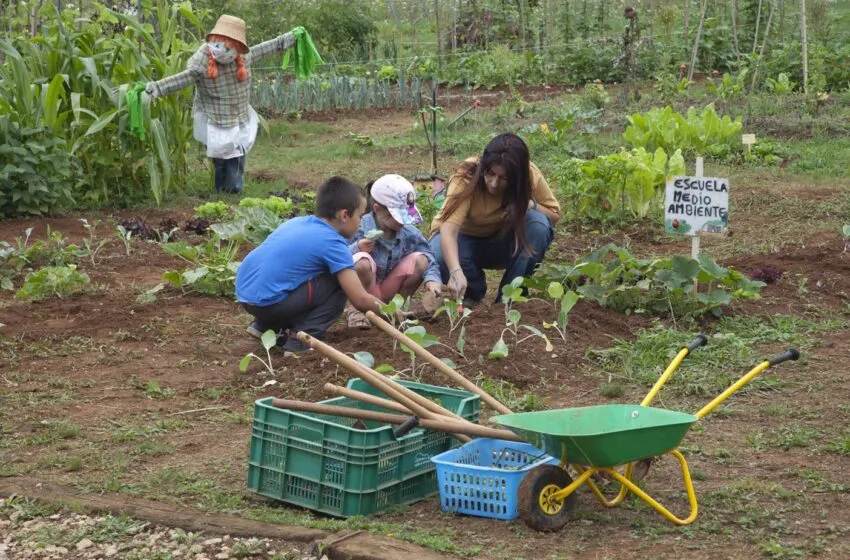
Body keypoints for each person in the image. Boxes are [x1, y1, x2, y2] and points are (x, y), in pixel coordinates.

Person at [144, 15, 300, 193]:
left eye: (227, 47)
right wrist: (157, 88)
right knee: (219, 159)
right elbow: (183, 78)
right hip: (215, 119)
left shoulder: (245, 57)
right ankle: (221, 190)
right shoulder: (202, 62)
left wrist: (289, 39)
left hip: (238, 117)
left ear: (238, 48)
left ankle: (233, 190)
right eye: (217, 45)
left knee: (236, 157)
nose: (220, 51)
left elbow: (265, 48)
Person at [235, 177, 384, 352]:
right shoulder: (333, 242)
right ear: (344, 215)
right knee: (340, 281)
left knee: (303, 276)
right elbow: (360, 299)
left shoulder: (297, 222)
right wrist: (393, 312)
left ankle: (265, 326)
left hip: (246, 295)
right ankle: (302, 340)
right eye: (360, 216)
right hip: (271, 304)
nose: (361, 222)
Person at [429, 133, 561, 305]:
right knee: (438, 250)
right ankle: (470, 295)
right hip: (464, 244)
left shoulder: (528, 174)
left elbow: (554, 215)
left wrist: (527, 205)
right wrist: (455, 271)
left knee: (538, 225)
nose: (494, 183)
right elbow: (448, 230)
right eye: (490, 173)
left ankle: (509, 298)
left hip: (503, 242)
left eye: (504, 178)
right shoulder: (467, 175)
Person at [345, 175, 443, 329]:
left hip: (389, 289)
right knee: (361, 262)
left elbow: (427, 255)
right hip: (363, 293)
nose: (402, 221)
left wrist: (432, 279)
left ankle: (396, 310)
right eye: (397, 216)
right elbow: (337, 255)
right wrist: (357, 246)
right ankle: (356, 311)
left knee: (421, 260)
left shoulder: (409, 233)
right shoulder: (359, 229)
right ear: (377, 209)